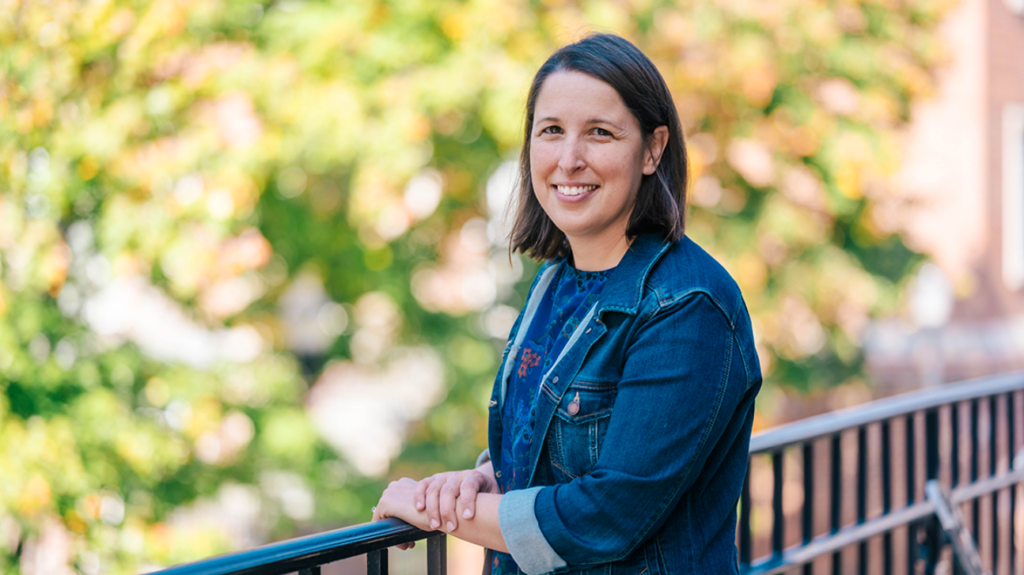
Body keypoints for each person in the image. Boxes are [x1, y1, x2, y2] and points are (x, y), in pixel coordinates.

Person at [372, 33, 762, 575]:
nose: (569, 159)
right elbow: (551, 446)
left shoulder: (688, 307)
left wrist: (435, 513)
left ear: (652, 149)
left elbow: (608, 514)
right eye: (551, 131)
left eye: (599, 133)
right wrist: (482, 481)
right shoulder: (556, 281)